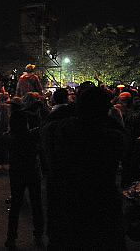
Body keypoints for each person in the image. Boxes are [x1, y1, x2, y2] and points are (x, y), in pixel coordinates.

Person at [42, 86, 126, 250]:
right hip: (100, 210)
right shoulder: (110, 138)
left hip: (66, 208)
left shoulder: (57, 131)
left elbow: (46, 127)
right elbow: (122, 138)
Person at [4, 103, 45, 249]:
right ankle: (38, 234)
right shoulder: (31, 136)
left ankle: (11, 236)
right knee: (36, 203)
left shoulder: (9, 137)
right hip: (32, 171)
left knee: (16, 204)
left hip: (16, 171)